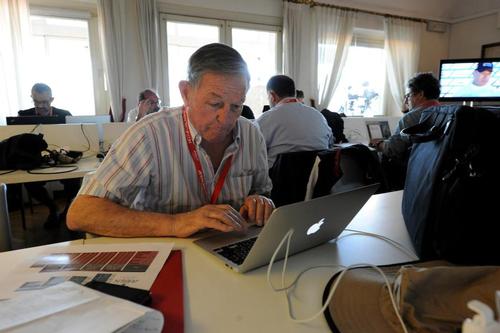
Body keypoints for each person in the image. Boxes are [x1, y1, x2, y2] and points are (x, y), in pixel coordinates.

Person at [67, 43, 274, 238]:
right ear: (186, 93)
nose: (226, 119)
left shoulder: (251, 135)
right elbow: (81, 213)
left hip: (227, 249)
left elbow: (261, 191)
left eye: (236, 106)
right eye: (215, 104)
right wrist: (176, 224)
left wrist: (259, 202)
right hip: (165, 255)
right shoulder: (150, 134)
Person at [18, 83, 78, 229]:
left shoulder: (65, 115)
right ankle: (53, 208)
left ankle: (69, 209)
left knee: (75, 179)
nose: (41, 106)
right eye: (36, 102)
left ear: (51, 99)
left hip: (62, 158)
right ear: (32, 99)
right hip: (35, 161)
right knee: (29, 182)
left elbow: (74, 140)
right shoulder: (23, 116)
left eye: (44, 102)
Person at [371, 72, 440, 190]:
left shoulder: (410, 118)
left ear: (421, 94)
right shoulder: (446, 112)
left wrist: (379, 144)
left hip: (409, 174)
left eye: (409, 95)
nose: (407, 100)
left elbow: (394, 149)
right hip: (434, 173)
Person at [255, 75, 333, 168]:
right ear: (294, 93)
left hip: (277, 180)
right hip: (316, 179)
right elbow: (330, 143)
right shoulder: (319, 116)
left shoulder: (266, 119)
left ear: (272, 96)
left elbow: (252, 151)